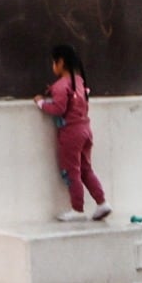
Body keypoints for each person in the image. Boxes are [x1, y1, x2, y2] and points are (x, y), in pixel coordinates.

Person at [37, 44, 108, 223]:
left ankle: (77, 208)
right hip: (85, 129)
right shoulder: (79, 81)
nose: (53, 66)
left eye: (54, 62)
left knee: (72, 170)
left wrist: (40, 103)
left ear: (60, 62)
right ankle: (101, 202)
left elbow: (58, 108)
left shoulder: (61, 86)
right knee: (86, 168)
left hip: (71, 133)